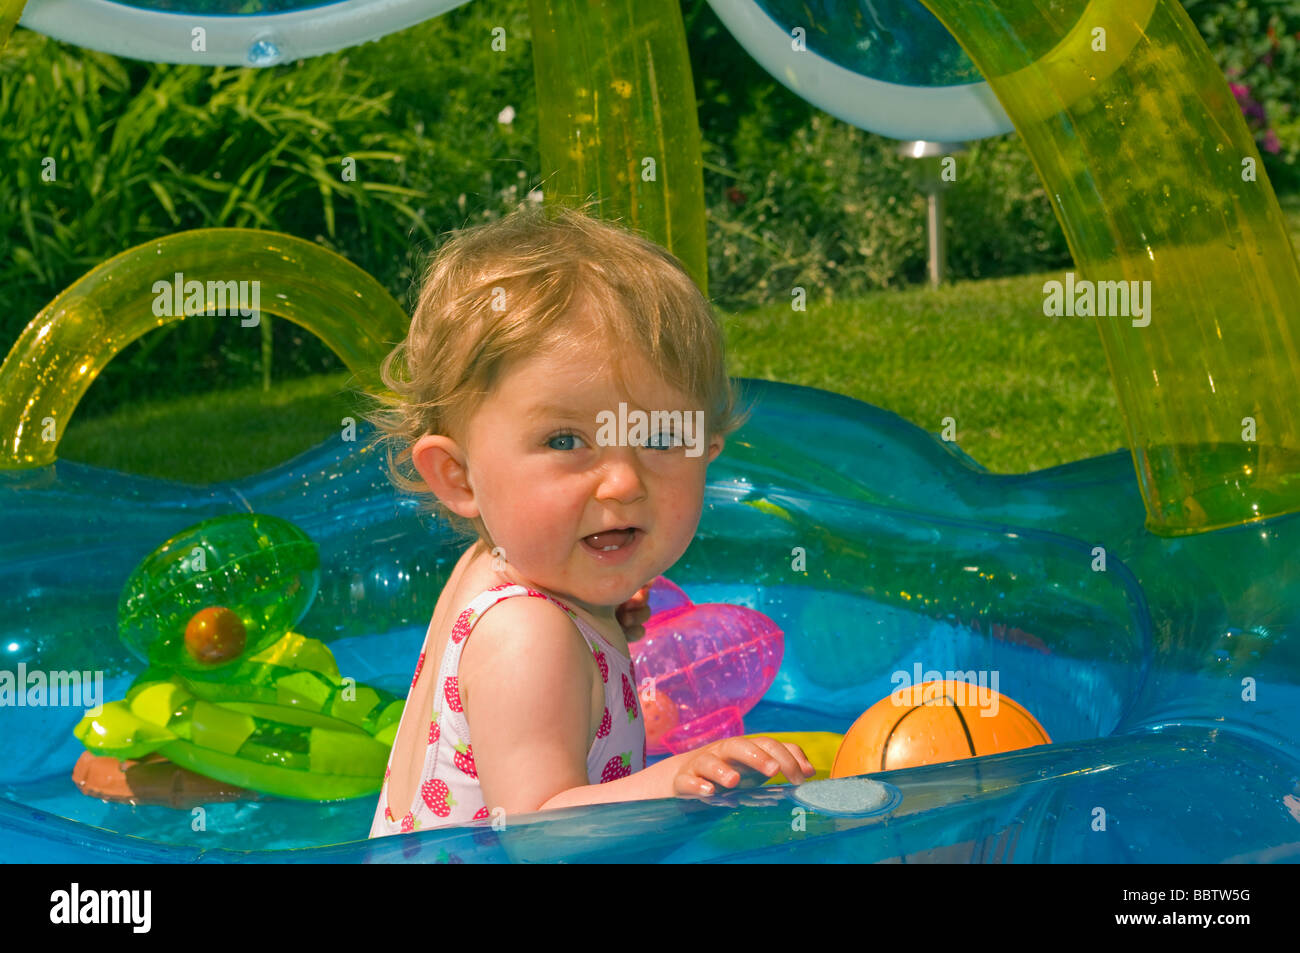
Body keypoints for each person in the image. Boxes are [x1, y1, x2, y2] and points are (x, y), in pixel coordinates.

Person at [364, 202, 814, 835]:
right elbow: (537, 832)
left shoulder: (500, 572)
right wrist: (676, 779)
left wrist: (596, 612)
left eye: (659, 435)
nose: (625, 481)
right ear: (460, 477)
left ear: (707, 448)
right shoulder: (527, 635)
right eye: (566, 441)